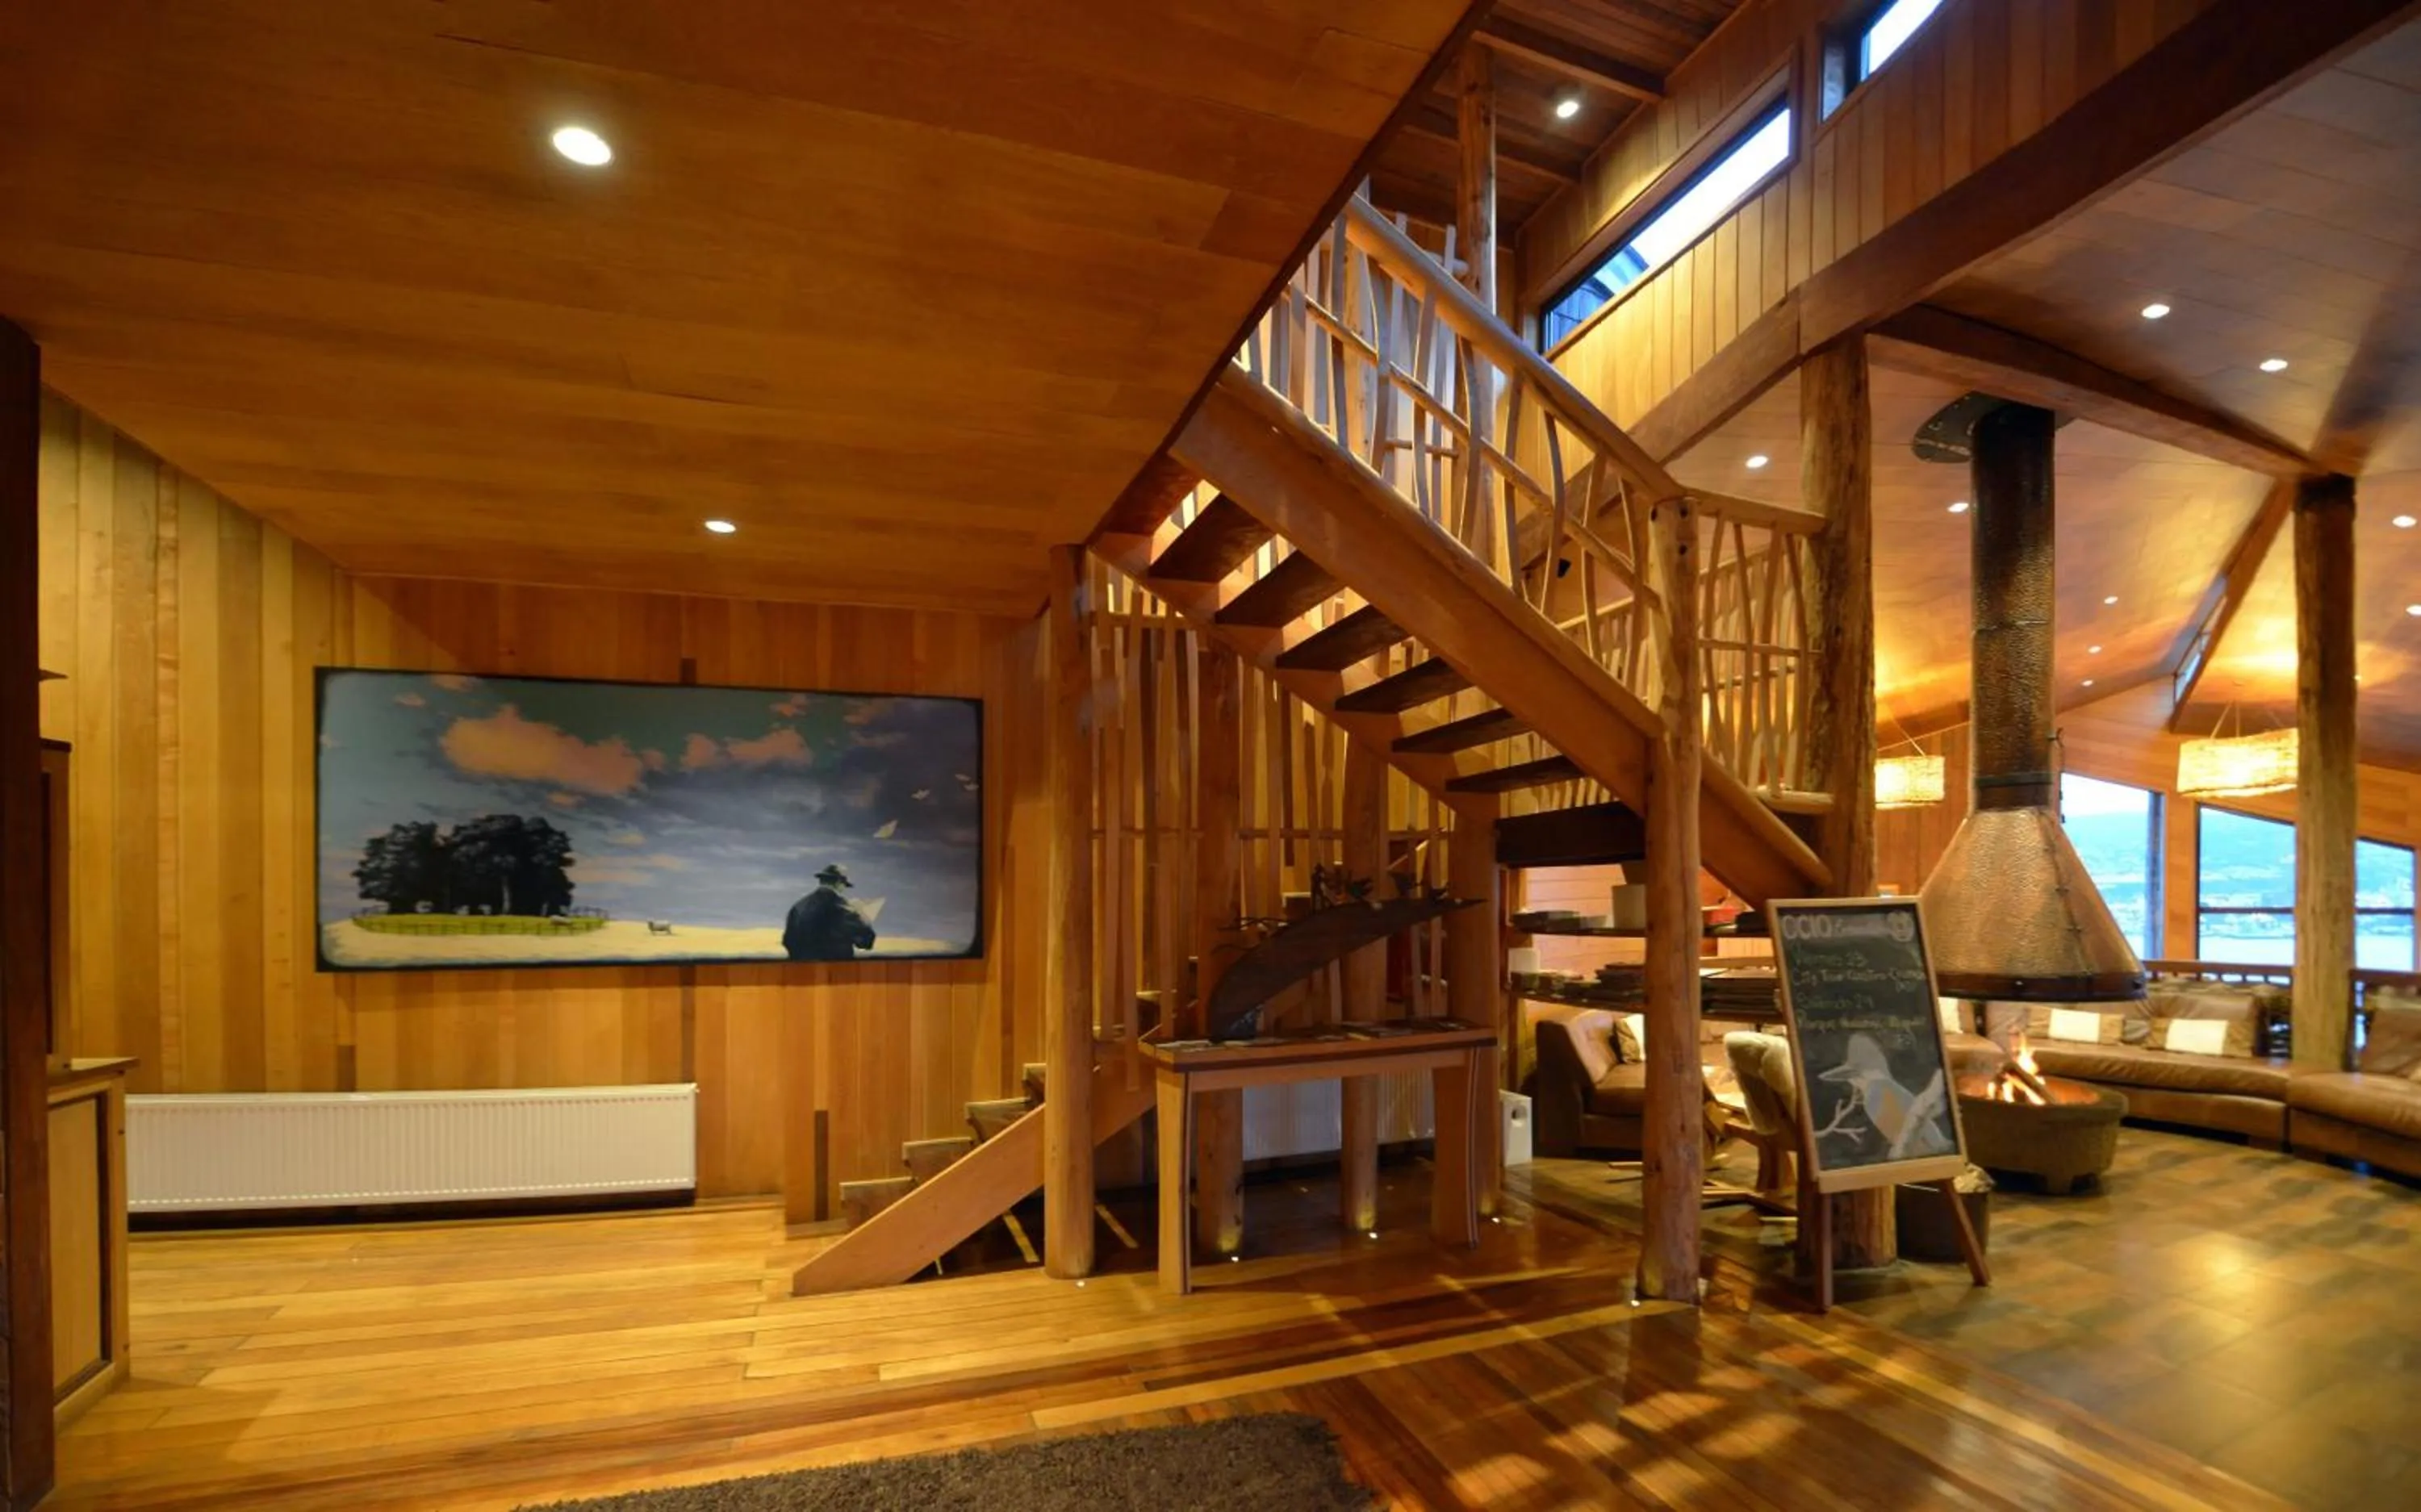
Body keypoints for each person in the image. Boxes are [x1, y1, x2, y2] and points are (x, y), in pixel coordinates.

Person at [783, 863, 876, 961]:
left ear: (821, 880)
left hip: (801, 969)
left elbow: (788, 941)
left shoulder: (798, 906)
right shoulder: (842, 907)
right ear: (839, 883)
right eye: (844, 886)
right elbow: (866, 941)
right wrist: (861, 913)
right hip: (835, 969)